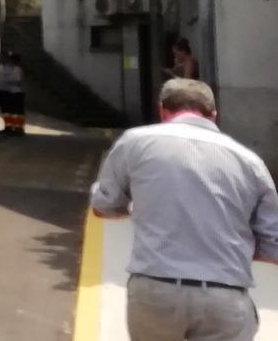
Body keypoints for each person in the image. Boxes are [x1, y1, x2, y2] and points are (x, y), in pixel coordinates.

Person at [90, 78, 278, 341]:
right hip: (224, 295)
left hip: (155, 290)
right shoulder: (251, 163)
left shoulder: (134, 142)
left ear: (162, 110)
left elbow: (103, 208)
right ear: (213, 115)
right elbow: (273, 248)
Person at [0, 52, 25, 135]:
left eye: (3, 58)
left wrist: (7, 82)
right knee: (6, 111)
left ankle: (18, 129)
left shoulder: (16, 69)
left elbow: (18, 81)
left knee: (16, 112)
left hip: (14, 92)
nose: (1, 59)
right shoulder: (1, 68)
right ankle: (8, 127)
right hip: (3, 90)